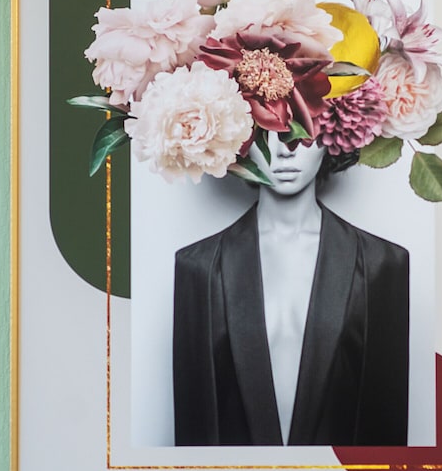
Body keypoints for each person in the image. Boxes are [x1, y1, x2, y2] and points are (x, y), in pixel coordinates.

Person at [172, 132, 410, 447]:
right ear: (241, 140)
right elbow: (195, 433)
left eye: (304, 133)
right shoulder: (198, 268)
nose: (286, 151)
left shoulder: (382, 266)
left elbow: (386, 433)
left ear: (331, 136)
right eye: (266, 133)